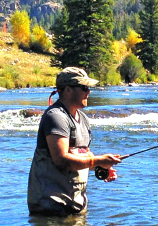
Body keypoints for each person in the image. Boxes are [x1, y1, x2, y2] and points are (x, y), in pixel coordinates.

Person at [27, 67, 122, 216]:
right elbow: (61, 159)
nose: (89, 92)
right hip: (51, 206)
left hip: (76, 204)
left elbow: (83, 153)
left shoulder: (83, 118)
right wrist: (98, 161)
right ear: (68, 90)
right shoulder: (55, 116)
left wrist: (100, 167)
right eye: (84, 87)